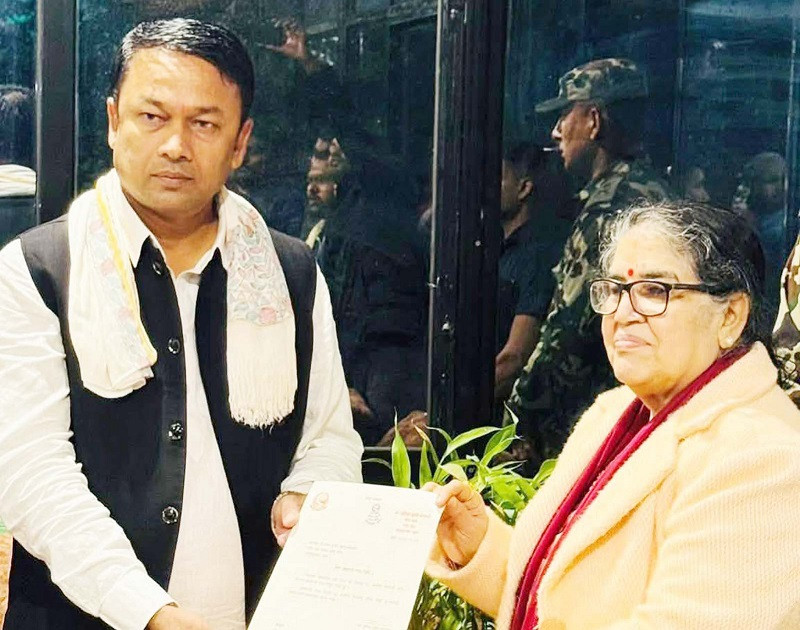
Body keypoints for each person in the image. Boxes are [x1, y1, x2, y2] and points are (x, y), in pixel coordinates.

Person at [0, 19, 362, 630]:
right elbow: (33, 473)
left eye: (204, 124)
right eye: (152, 117)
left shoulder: (290, 271)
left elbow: (328, 437)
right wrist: (148, 611)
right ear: (113, 121)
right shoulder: (39, 270)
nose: (175, 145)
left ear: (240, 142)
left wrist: (310, 494)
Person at [426, 201, 800, 629]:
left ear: (730, 316)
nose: (623, 314)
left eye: (653, 291)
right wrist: (480, 547)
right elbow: (562, 605)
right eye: (615, 290)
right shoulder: (615, 414)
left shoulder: (763, 459)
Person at [507, 58, 673, 466]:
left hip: (591, 427)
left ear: (594, 121)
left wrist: (516, 416)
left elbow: (566, 332)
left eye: (565, 115)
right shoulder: (658, 194)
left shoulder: (607, 212)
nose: (556, 131)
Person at [307, 136, 429, 445]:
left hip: (388, 353)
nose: (328, 157)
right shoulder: (340, 225)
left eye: (331, 152)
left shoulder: (376, 223)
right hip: (360, 353)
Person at [495, 142, 574, 401]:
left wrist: (451, 409)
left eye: (498, 178)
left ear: (524, 188)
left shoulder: (538, 256)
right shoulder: (500, 250)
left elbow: (515, 358)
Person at [732, 151, 787, 317]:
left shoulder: (791, 221)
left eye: (784, 180)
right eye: (771, 181)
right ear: (753, 185)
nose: (780, 187)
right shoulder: (749, 215)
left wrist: (751, 228)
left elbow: (775, 266)